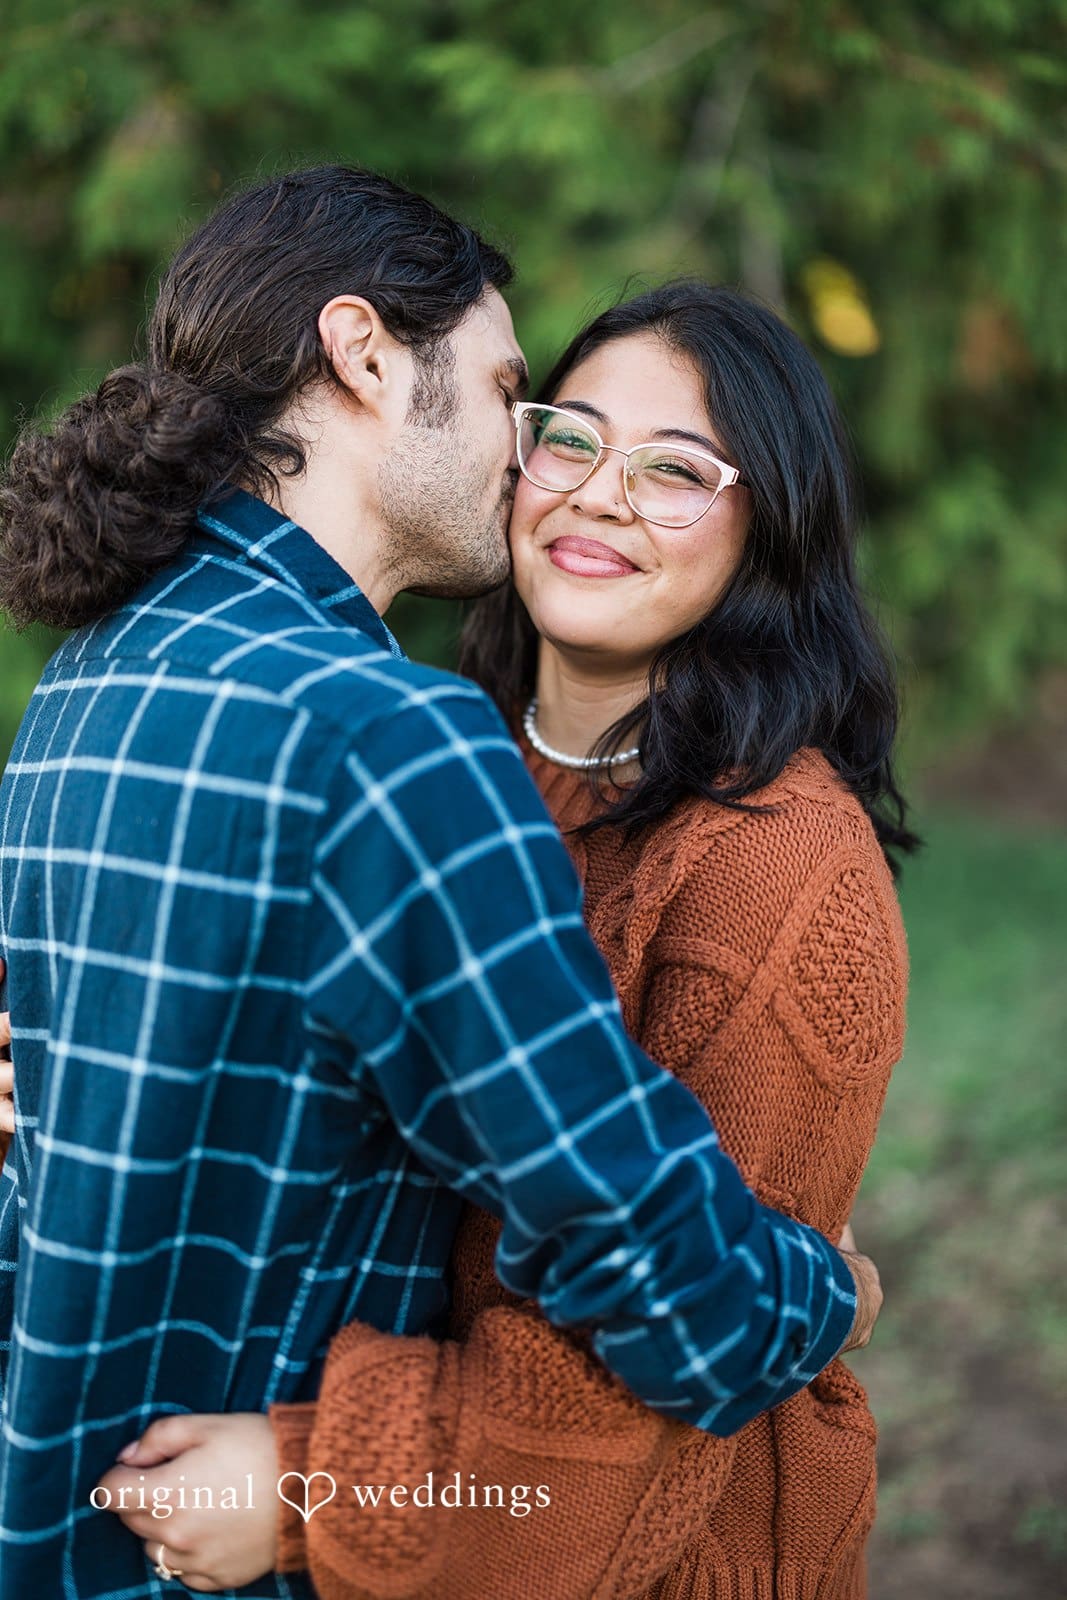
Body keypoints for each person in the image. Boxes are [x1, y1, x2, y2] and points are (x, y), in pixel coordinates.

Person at [0, 170, 873, 1600]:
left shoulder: (88, 678)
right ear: (362, 354)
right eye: (509, 392)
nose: (523, 454)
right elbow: (656, 1274)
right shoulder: (390, 737)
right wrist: (824, 1294)